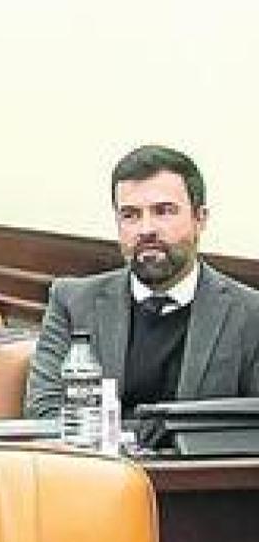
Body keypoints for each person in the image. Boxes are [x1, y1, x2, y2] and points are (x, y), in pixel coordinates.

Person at [25, 145, 259, 418]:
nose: (146, 229)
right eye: (130, 215)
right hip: (99, 446)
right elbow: (44, 410)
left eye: (164, 211)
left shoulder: (250, 314)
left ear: (200, 219)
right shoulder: (73, 303)